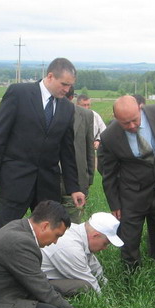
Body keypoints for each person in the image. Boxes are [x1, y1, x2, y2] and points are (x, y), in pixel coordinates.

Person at [0, 58, 86, 237]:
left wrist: (73, 187)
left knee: (48, 229)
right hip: (16, 177)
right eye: (64, 84)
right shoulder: (19, 93)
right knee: (6, 228)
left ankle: (39, 264)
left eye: (70, 86)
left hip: (47, 181)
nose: (67, 90)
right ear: (50, 76)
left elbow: (67, 151)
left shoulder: (67, 109)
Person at [100, 95, 155, 270]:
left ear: (140, 108)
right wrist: (114, 203)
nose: (131, 126)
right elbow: (108, 172)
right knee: (129, 240)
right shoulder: (109, 136)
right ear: (116, 118)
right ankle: (131, 277)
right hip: (132, 195)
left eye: (134, 120)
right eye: (125, 123)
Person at [41, 212, 124, 294]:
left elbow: (95, 268)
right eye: (105, 243)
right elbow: (90, 282)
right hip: (39, 281)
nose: (105, 248)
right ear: (95, 235)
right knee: (85, 287)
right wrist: (108, 304)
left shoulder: (80, 234)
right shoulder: (71, 248)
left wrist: (106, 285)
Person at [63, 86, 95, 223]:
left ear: (71, 99)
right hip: (49, 181)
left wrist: (88, 179)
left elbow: (89, 149)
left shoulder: (86, 115)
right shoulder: (42, 113)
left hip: (76, 180)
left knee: (73, 225)